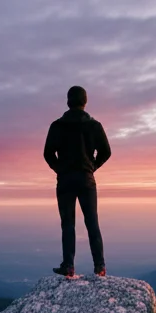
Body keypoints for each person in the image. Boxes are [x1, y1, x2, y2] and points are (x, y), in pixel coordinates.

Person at [43, 85, 111, 278]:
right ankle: (100, 267)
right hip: (86, 180)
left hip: (65, 181)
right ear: (85, 101)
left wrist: (60, 169)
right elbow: (106, 151)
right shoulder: (94, 125)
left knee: (68, 224)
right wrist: (92, 167)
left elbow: (48, 153)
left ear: (68, 101)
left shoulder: (57, 125)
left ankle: (69, 266)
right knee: (92, 222)